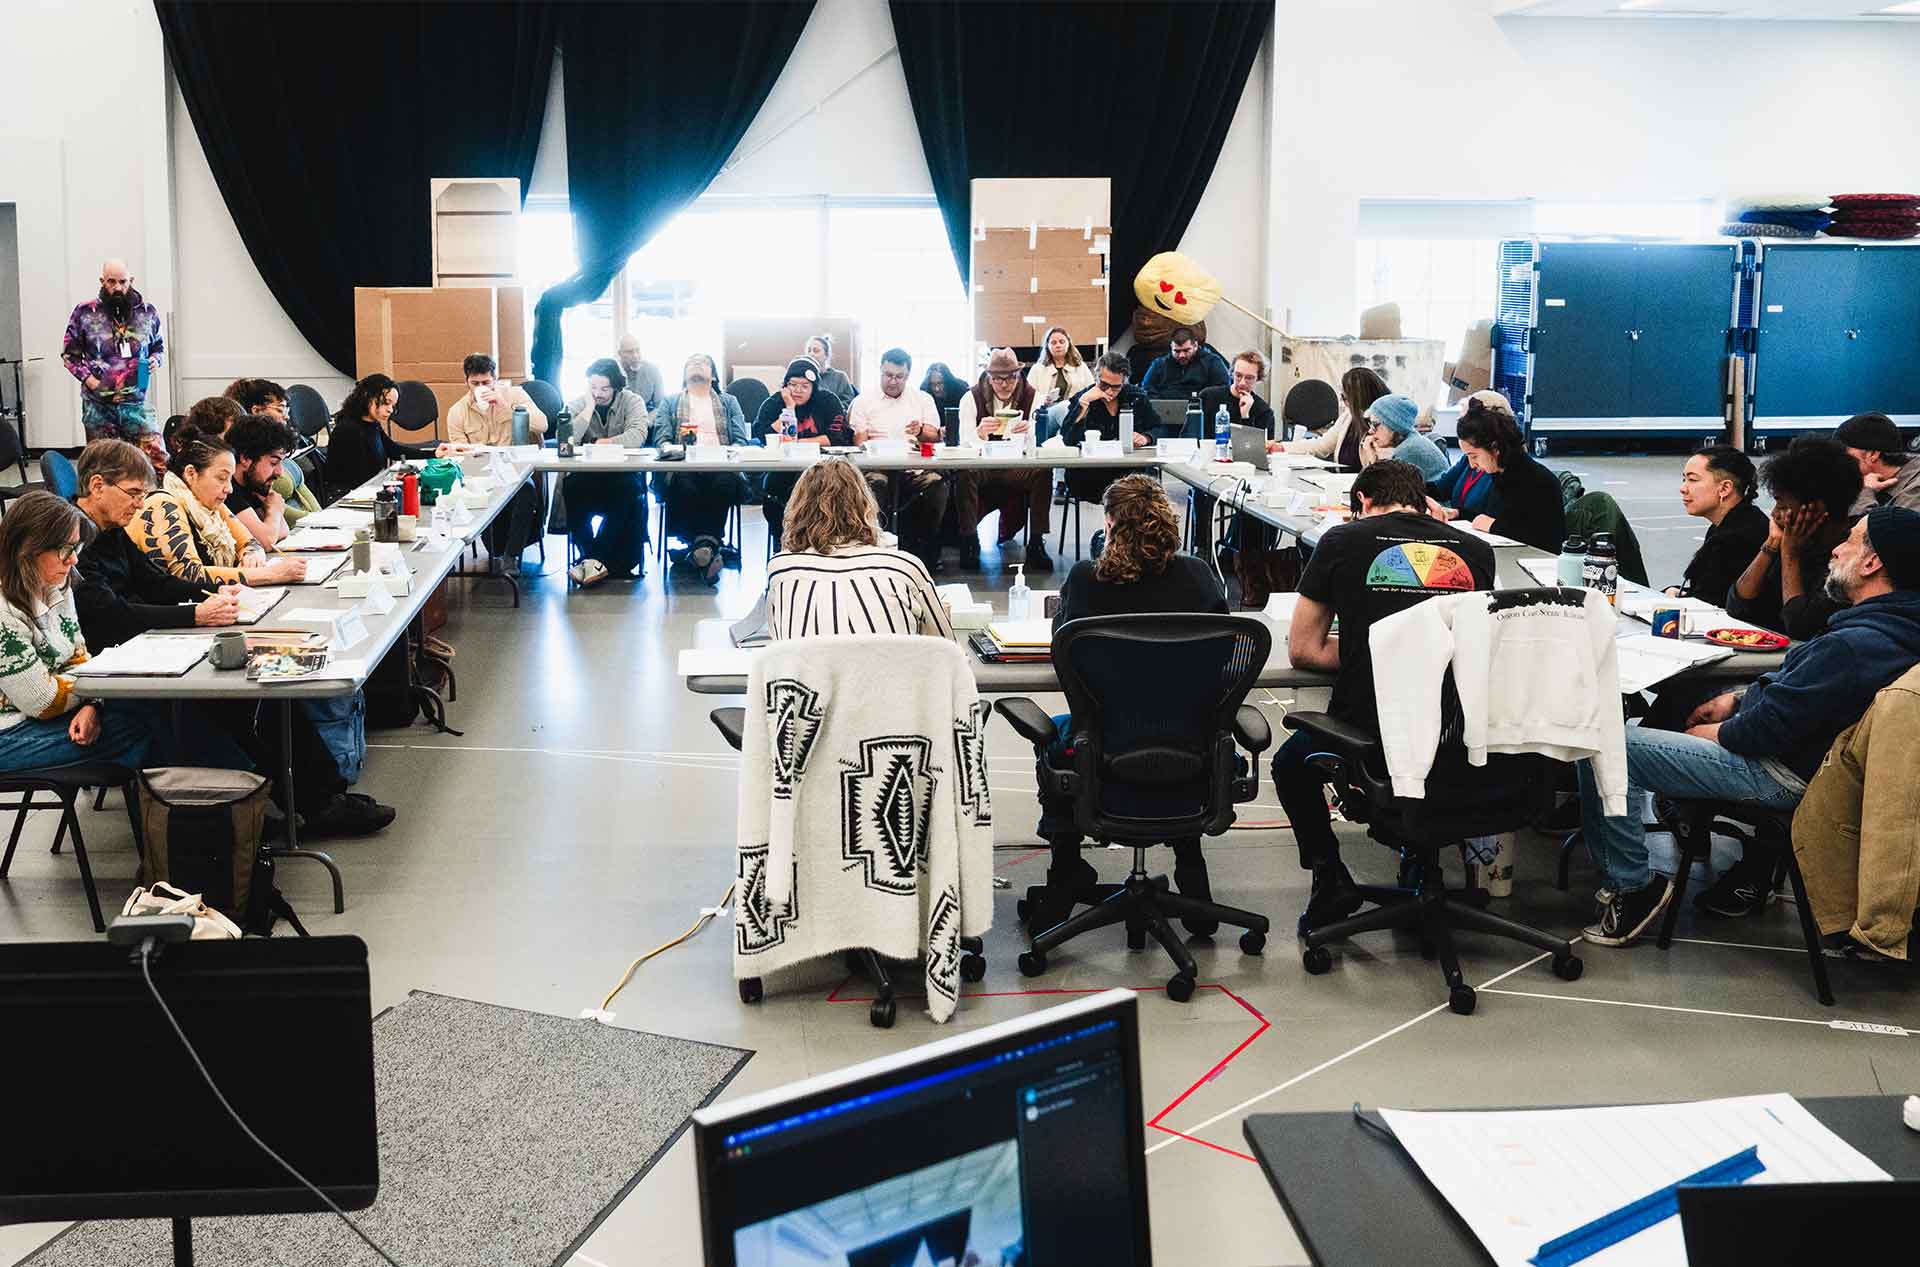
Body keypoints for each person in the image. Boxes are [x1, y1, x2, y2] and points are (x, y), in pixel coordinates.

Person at [1574, 506, 1920, 944]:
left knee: (1606, 744)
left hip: (1784, 774)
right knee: (1688, 697)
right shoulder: (1895, 627)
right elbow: (1804, 692)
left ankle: (1633, 888)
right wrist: (1737, 699)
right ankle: (1678, 816)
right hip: (1812, 757)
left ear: (1873, 563)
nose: (1836, 548)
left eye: (1850, 540)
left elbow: (1770, 729)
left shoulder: (1857, 645)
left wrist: (1719, 731)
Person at [1271, 461, 1497, 928]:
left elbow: (1304, 649)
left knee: (1290, 763)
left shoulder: (1340, 541)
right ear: (1424, 502)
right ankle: (1418, 854)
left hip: (1370, 734)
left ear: (1364, 503)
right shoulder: (1477, 551)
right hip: (1455, 738)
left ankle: (1329, 875)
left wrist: (1369, 651)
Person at [1026, 475, 1229, 935]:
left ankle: (1066, 873)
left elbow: (1068, 662)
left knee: (1057, 736)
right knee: (1170, 722)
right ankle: (1191, 874)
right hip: (1191, 750)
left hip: (1104, 749)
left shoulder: (1086, 580)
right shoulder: (1198, 576)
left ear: (1111, 523)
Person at [0, 492, 151, 775]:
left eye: (76, 549)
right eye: (65, 549)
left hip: (44, 716)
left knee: (149, 708)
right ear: (28, 549)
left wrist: (93, 703)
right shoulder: (3, 612)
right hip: (7, 733)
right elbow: (43, 702)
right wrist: (95, 685)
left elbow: (79, 657)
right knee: (142, 724)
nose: (73, 561)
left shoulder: (57, 583)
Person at [70, 440, 241, 647]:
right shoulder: (71, 537)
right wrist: (195, 615)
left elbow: (155, 582)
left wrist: (215, 590)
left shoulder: (111, 527)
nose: (140, 504)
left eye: (142, 495)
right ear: (97, 487)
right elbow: (108, 614)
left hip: (135, 638)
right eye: (133, 493)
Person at [764, 459, 953, 640]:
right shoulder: (905, 568)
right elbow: (947, 649)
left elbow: (779, 642)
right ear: (867, 506)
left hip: (810, 673)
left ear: (798, 509)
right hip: (891, 671)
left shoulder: (781, 570)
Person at [1726, 436, 1860, 639]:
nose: (1774, 514)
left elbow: (1801, 627)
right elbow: (1738, 606)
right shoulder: (1798, 539)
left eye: (1782, 505)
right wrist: (1771, 544)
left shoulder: (1849, 557)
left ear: (1816, 507)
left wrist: (1790, 555)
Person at [651, 352, 750, 584]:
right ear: (684, 375)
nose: (696, 364)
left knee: (724, 482)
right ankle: (707, 546)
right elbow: (661, 439)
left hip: (721, 464)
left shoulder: (728, 402)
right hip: (683, 465)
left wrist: (729, 452)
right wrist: (674, 450)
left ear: (713, 375)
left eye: (703, 362)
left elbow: (740, 439)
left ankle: (699, 549)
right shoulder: (671, 402)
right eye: (691, 363)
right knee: (684, 483)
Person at [442, 353, 547, 571]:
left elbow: (542, 425)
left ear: (495, 380)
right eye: (475, 383)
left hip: (515, 470)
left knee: (525, 491)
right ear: (466, 382)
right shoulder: (457, 411)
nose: (481, 387)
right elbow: (460, 456)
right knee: (494, 548)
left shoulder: (515, 395)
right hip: (481, 475)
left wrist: (505, 405)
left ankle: (511, 557)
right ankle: (501, 551)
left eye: (486, 382)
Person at [848, 347, 950, 571]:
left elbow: (933, 436)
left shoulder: (922, 399)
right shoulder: (864, 400)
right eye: (887, 375)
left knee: (936, 485)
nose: (892, 381)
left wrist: (920, 430)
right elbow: (859, 442)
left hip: (914, 468)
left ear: (908, 376)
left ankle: (926, 552)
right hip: (877, 466)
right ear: (880, 371)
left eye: (898, 376)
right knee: (875, 484)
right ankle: (873, 550)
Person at [1425, 390, 1565, 553]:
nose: (1471, 464)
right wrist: (1458, 513)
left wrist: (1493, 526)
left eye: (1474, 456)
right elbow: (1487, 516)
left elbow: (1545, 540)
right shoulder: (1500, 471)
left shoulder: (1537, 481)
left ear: (1495, 448)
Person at [61, 259, 166, 466]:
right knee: (102, 465)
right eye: (111, 282)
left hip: (136, 402)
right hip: (98, 405)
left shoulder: (148, 312)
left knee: (156, 461)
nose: (117, 288)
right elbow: (70, 356)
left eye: (122, 282)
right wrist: (90, 380)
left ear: (131, 280)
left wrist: (156, 360)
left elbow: (159, 348)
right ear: (102, 281)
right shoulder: (84, 312)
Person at [955, 348, 1051, 569]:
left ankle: (1036, 542)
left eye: (1011, 378)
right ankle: (969, 540)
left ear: (1019, 376)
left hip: (1017, 466)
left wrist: (1030, 432)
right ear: (989, 377)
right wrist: (978, 434)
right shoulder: (971, 397)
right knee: (964, 473)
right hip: (982, 466)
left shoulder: (1033, 396)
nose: (1005, 384)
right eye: (998, 379)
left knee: (1043, 472)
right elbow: (962, 441)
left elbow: (1042, 441)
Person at [564, 358, 652, 587]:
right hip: (587, 476)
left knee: (626, 490)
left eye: (604, 389)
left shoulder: (633, 401)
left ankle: (592, 559)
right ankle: (593, 557)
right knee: (570, 487)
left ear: (616, 387)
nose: (598, 394)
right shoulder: (580, 403)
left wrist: (599, 443)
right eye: (593, 388)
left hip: (621, 475)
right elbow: (566, 439)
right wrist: (588, 409)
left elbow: (636, 436)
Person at [754, 358, 851, 550]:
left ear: (814, 387)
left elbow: (837, 437)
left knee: (817, 485)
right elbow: (763, 434)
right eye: (793, 385)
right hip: (781, 467)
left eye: (805, 386)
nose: (798, 390)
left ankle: (814, 542)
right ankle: (782, 540)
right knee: (772, 488)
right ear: (785, 386)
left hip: (822, 467)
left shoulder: (828, 401)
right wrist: (789, 409)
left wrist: (795, 443)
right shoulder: (774, 402)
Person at [1191, 351, 1278, 556]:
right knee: (1203, 490)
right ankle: (1204, 548)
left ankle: (1241, 554)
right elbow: (1191, 434)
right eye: (1238, 375)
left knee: (1254, 499)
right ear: (1231, 372)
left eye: (1249, 378)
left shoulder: (1263, 411)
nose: (1242, 382)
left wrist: (1246, 415)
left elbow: (1253, 456)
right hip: (1209, 467)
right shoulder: (1209, 397)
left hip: (1244, 473)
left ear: (1259, 379)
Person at [1668, 445, 1769, 603]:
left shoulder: (1737, 539)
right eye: (1684, 479)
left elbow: (1713, 602)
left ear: (1725, 488)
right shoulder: (1728, 525)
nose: (1683, 488)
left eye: (1692, 480)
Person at [222, 378, 320, 529]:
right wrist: (275, 510)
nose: (287, 416)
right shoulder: (237, 485)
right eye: (280, 409)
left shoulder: (259, 471)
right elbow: (267, 540)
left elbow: (281, 532)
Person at [1059, 352, 1154, 506]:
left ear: (1124, 382)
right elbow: (1068, 439)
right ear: (1096, 378)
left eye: (1116, 386)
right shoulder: (1082, 398)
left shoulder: (1137, 397)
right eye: (1104, 385)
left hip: (1129, 472)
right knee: (1124, 495)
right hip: (1089, 475)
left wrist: (1146, 437)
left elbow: (1158, 427)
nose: (1109, 391)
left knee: (1137, 492)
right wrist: (1084, 405)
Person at [1283, 367, 1389, 465]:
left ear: (1359, 399)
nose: (1344, 403)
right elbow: (1322, 445)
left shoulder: (1385, 424)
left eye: (1345, 398)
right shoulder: (1348, 417)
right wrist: (1281, 447)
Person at [322, 373, 403, 500]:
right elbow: (360, 479)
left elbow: (393, 449)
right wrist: (390, 480)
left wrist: (434, 453)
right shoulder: (348, 430)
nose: (390, 410)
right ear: (368, 397)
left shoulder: (371, 423)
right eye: (386, 403)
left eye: (393, 406)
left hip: (365, 490)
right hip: (348, 497)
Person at [1834, 411, 1920, 514]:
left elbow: (1882, 529)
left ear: (1873, 455)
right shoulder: (1856, 479)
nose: (1837, 460)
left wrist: (1865, 492)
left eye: (1843, 453)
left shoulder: (1916, 489)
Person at [1357, 393, 1450, 483]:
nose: (1370, 431)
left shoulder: (1407, 451)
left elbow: (1380, 490)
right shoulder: (1412, 442)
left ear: (1393, 424)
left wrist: (1372, 458)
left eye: (1374, 425)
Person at [1139, 326, 1229, 398]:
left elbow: (1223, 389)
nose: (1182, 355)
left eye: (1186, 350)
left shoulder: (1212, 362)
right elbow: (1146, 388)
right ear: (1171, 347)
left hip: (1201, 408)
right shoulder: (1159, 364)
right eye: (1177, 351)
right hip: (1165, 410)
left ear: (1195, 346)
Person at [1026, 326, 1093, 410]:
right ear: (1047, 346)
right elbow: (1028, 396)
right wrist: (1043, 399)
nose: (1058, 345)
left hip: (1074, 414)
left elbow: (1091, 390)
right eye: (1053, 343)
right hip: (1045, 413)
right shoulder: (1037, 369)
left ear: (1068, 344)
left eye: (1062, 342)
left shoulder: (1080, 367)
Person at [614, 333, 664, 412]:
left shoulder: (653, 370)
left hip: (647, 420)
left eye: (637, 350)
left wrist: (645, 421)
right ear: (620, 354)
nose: (635, 356)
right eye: (630, 352)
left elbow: (660, 406)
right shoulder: (612, 373)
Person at [804, 334, 856, 404]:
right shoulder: (801, 377)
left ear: (826, 355)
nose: (811, 354)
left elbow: (849, 403)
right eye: (809, 351)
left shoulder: (840, 377)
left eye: (816, 351)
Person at [919, 361, 967, 427]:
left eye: (940, 383)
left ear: (947, 381)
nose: (936, 389)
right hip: (934, 431)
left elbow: (968, 417)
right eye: (932, 384)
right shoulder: (924, 391)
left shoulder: (961, 389)